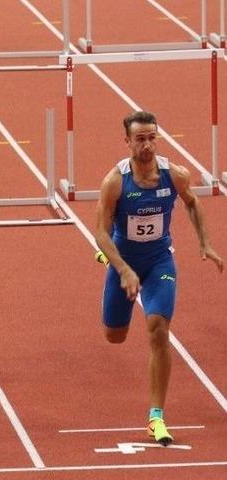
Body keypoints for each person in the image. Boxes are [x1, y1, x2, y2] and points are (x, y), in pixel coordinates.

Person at [95, 110, 223, 444]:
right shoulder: (114, 182)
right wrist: (121, 269)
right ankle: (113, 277)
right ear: (127, 142)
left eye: (152, 137)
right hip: (124, 262)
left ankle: (156, 417)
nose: (148, 144)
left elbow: (193, 203)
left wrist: (205, 243)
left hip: (159, 263)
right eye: (140, 139)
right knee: (114, 336)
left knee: (158, 330)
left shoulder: (174, 174)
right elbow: (101, 232)